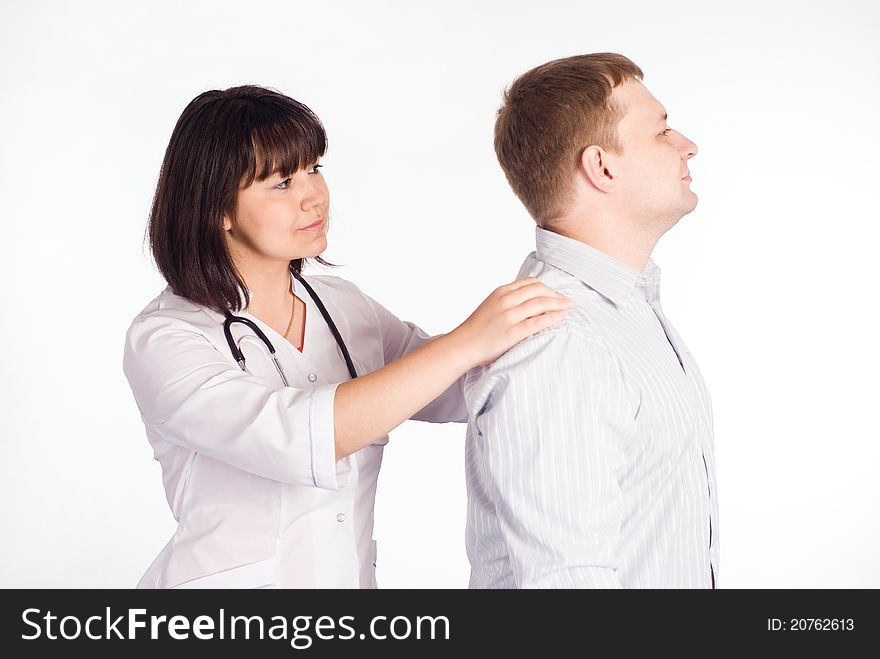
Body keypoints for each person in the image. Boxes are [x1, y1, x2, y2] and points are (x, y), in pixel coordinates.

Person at [123, 85, 570, 589]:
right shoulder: (165, 337)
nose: (313, 196)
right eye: (281, 183)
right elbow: (298, 436)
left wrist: (561, 315)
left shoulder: (339, 304)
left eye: (314, 169)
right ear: (218, 209)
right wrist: (467, 340)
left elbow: (453, 387)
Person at [464, 53, 719, 588]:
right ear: (602, 166)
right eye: (663, 130)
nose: (687, 144)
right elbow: (566, 581)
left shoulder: (626, 310)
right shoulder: (561, 339)